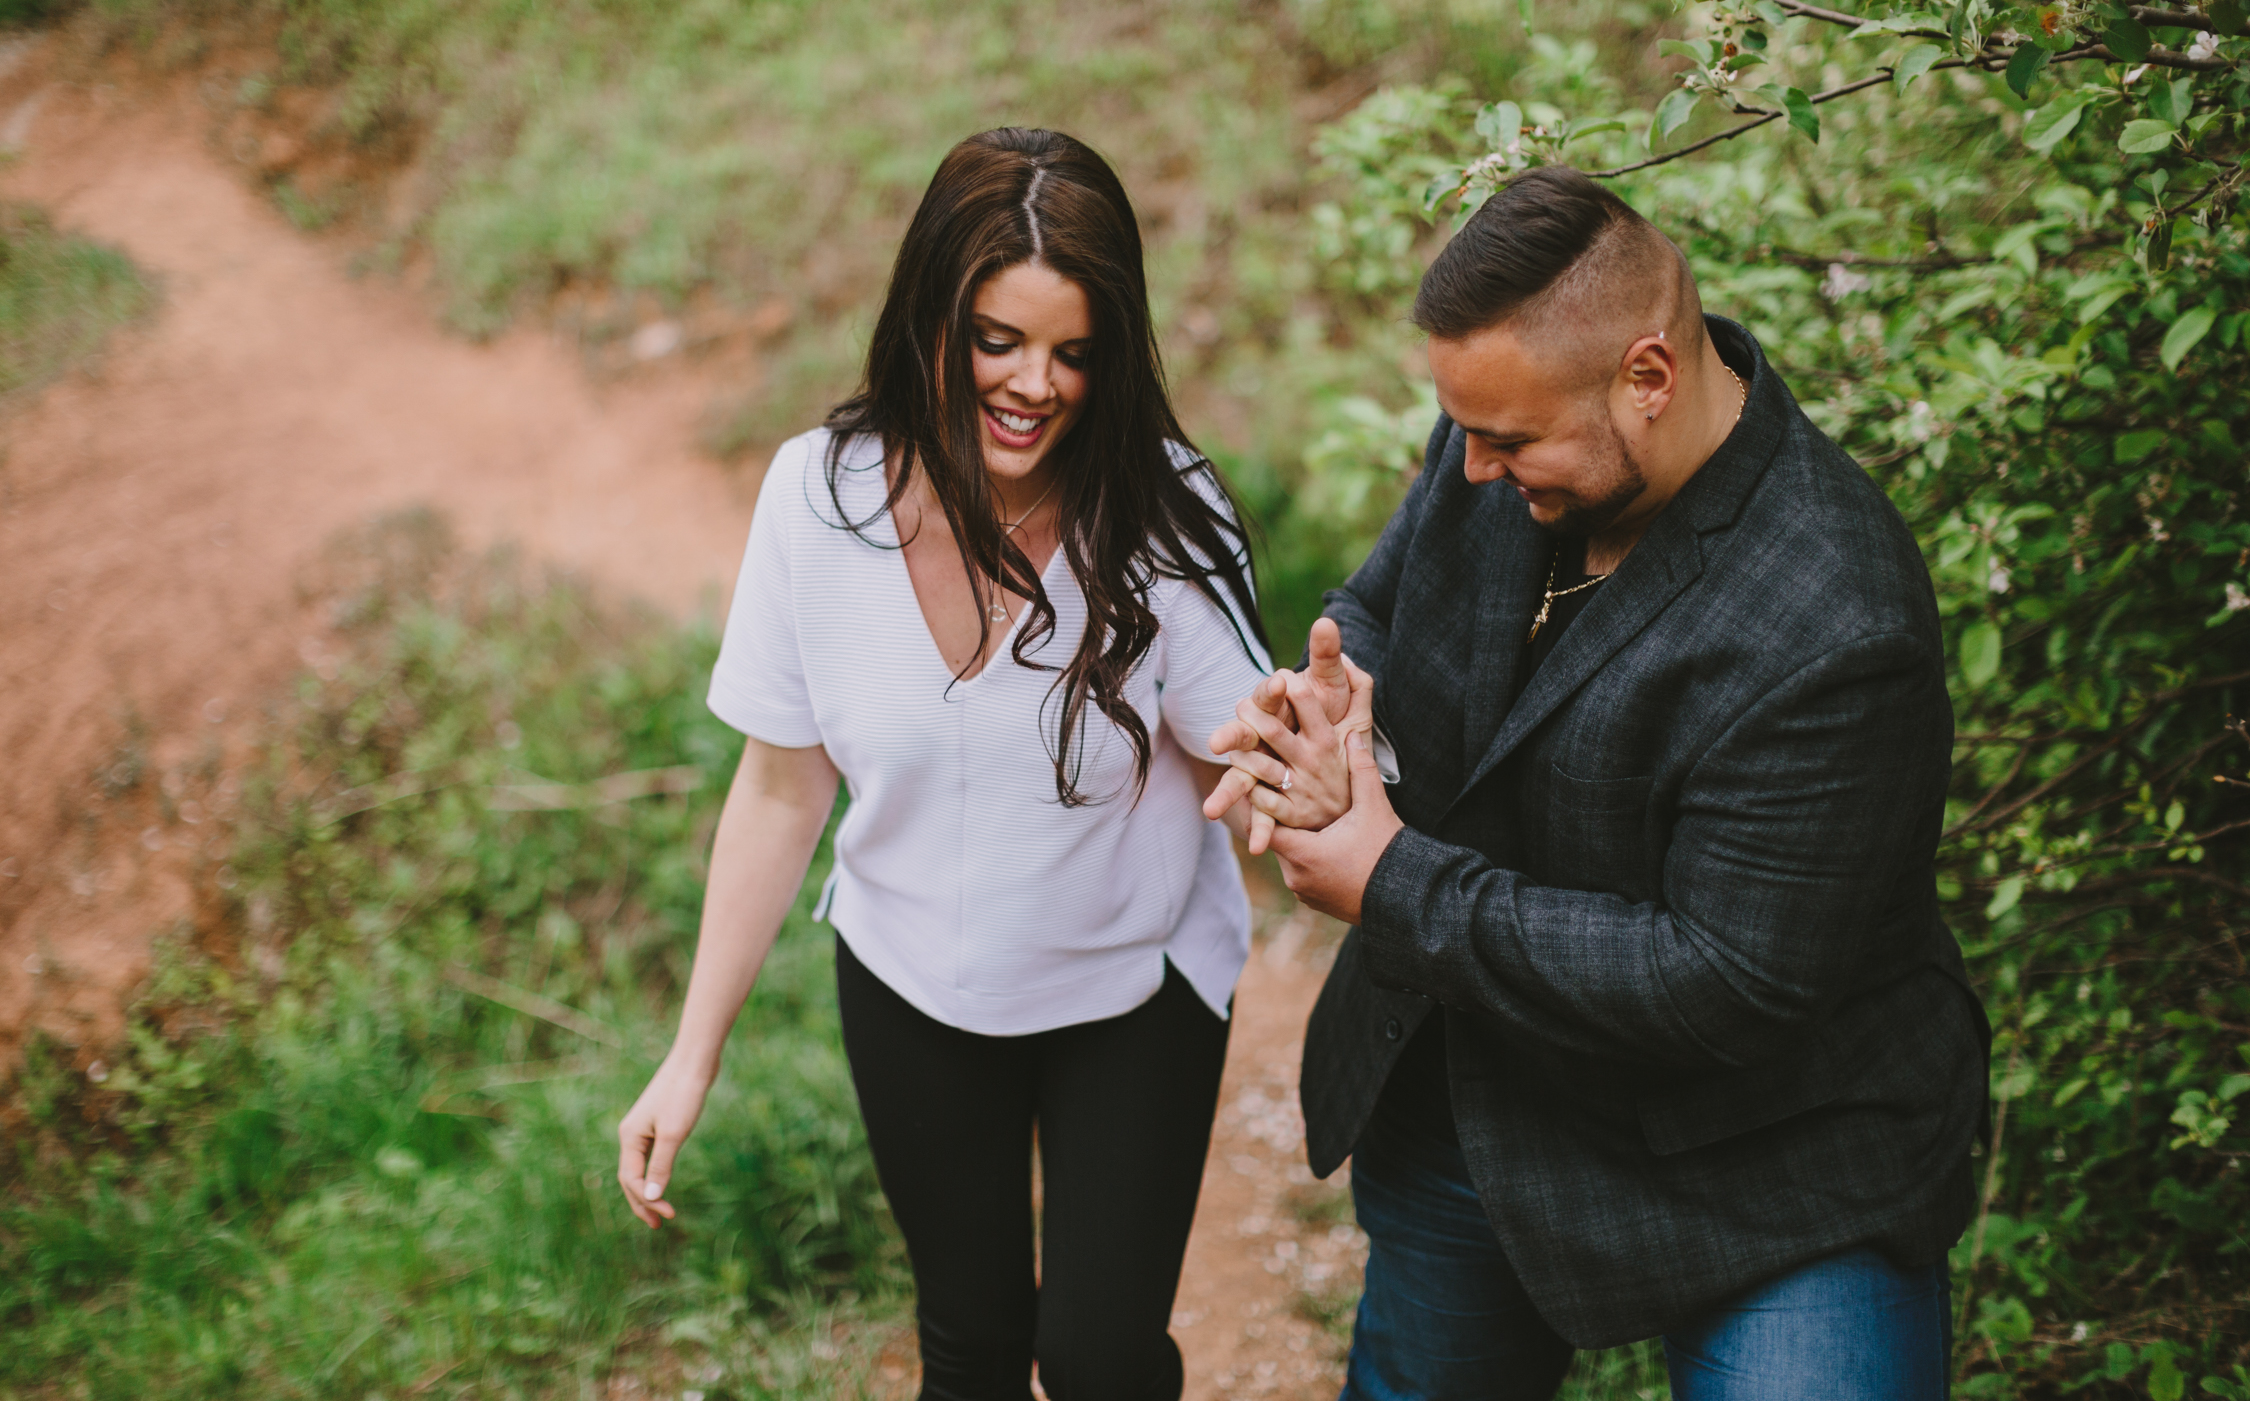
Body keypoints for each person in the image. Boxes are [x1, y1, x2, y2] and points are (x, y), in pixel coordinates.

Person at [1203, 166, 1989, 1399]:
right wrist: (1337, 699)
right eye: (1464, 429)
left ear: (1648, 378)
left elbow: (1727, 982)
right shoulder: (1508, 438)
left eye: (1507, 440)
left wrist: (1391, 879)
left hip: (1773, 1162)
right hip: (1485, 1092)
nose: (1470, 470)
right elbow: (1385, 609)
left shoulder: (1840, 616)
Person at [617, 127, 1274, 1401]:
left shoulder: (1156, 512)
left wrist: (1317, 763)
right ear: (932, 316)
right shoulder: (818, 500)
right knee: (969, 1349)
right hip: (913, 978)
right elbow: (780, 784)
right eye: (998, 340)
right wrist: (688, 1056)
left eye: (1075, 352)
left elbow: (1250, 755)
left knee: (1095, 1361)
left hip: (1131, 988)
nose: (1036, 385)